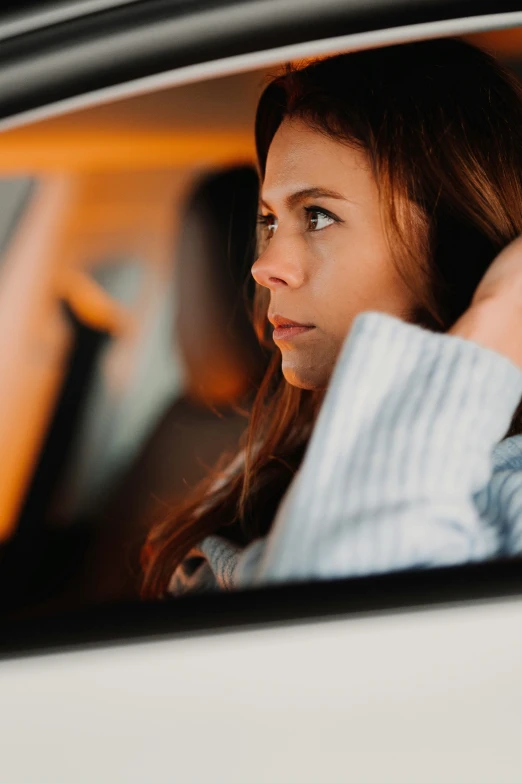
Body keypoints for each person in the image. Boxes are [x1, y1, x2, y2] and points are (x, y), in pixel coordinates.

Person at [141, 37, 522, 598]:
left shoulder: (503, 490)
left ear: (452, 242)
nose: (264, 266)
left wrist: (493, 319)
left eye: (317, 216)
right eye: (269, 220)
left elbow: (311, 653)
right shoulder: (264, 461)